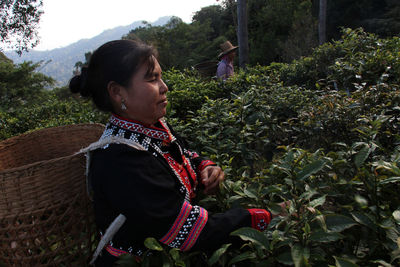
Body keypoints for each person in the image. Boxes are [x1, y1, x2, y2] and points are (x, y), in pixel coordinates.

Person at [69, 40, 277, 266]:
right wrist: (265, 217)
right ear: (118, 93)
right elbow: (190, 233)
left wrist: (205, 167)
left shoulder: (153, 126)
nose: (164, 86)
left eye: (160, 76)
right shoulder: (121, 160)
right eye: (152, 79)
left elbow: (185, 152)